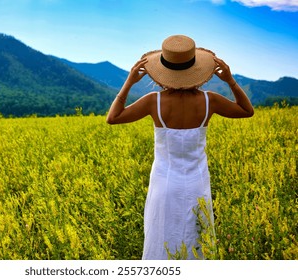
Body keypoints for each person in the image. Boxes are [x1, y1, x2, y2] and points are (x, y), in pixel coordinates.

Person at [106, 35, 254, 260]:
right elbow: (247, 110)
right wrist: (231, 81)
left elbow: (113, 117)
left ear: (163, 71)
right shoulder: (209, 100)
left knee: (162, 240)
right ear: (196, 69)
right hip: (197, 183)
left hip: (164, 185)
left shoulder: (153, 101)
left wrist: (129, 82)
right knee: (197, 242)